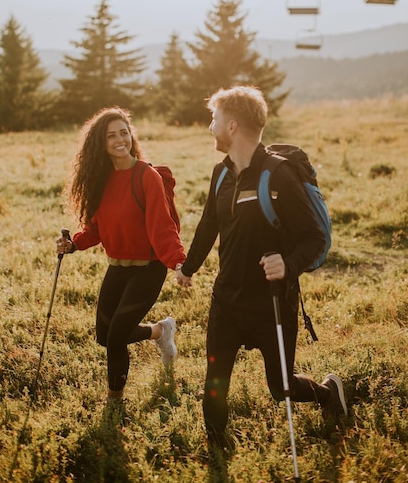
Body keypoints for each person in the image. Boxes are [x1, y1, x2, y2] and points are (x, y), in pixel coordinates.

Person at [176, 85, 347, 451]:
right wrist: (188, 268)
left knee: (281, 386)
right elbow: (209, 225)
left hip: (272, 302)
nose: (210, 127)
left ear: (233, 126)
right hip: (226, 300)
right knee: (214, 382)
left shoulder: (279, 175)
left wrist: (287, 263)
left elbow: (314, 239)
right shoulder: (220, 174)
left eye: (214, 119)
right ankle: (217, 455)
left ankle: (328, 394)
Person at [56, 106, 186, 404]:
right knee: (104, 335)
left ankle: (114, 402)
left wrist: (178, 261)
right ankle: (161, 331)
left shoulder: (146, 176)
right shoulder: (100, 180)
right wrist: (73, 244)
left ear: (131, 136)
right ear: (100, 143)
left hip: (149, 270)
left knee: (116, 338)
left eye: (124, 133)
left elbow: (162, 227)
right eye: (111, 135)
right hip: (118, 268)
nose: (119, 140)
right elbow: (95, 229)